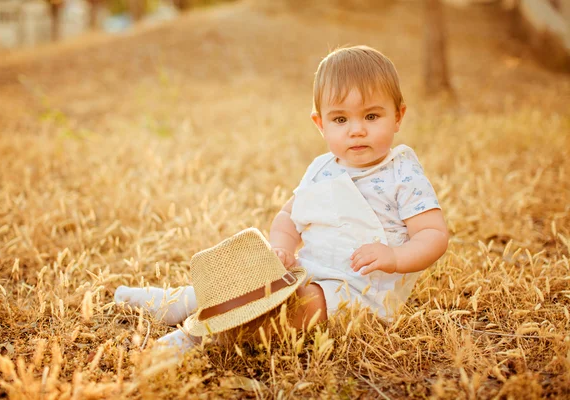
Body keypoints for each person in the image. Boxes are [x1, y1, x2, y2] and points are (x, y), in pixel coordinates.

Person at [114, 45, 449, 353]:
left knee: (295, 308)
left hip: (360, 291)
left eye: (372, 117)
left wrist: (394, 256)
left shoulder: (401, 173)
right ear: (320, 124)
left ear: (398, 117)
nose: (356, 130)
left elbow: (432, 235)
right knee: (249, 280)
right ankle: (183, 299)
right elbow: (289, 216)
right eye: (341, 119)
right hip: (308, 270)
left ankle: (202, 337)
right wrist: (282, 248)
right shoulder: (322, 169)